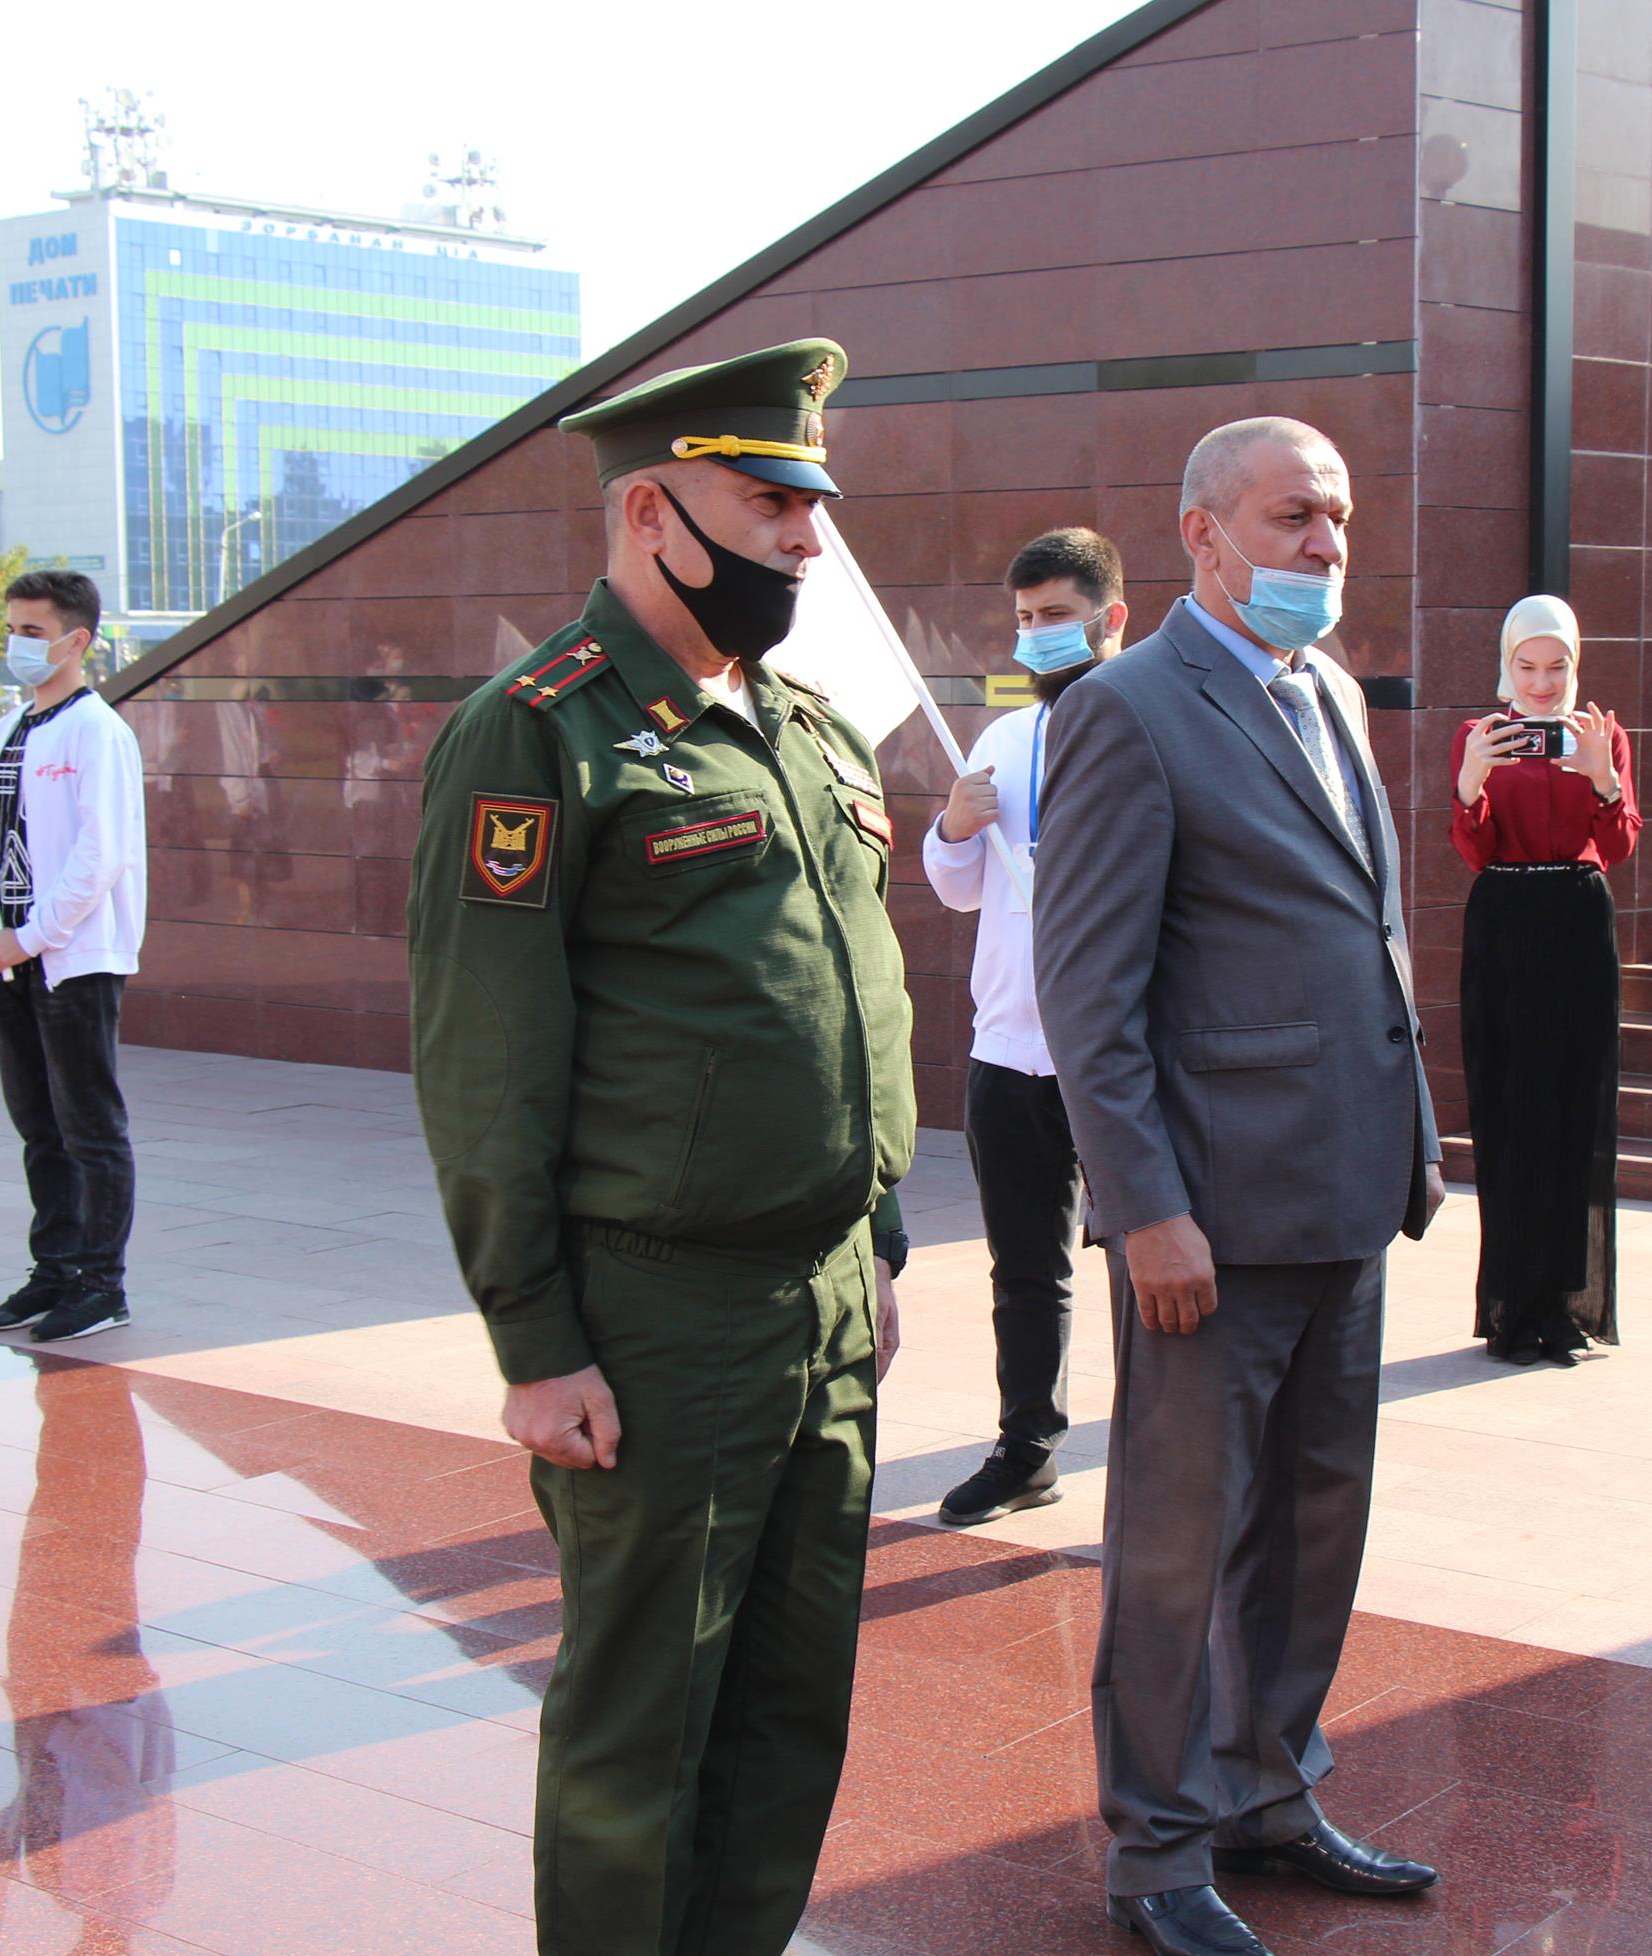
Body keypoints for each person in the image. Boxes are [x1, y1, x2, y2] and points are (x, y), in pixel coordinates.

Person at [405, 337, 915, 1956]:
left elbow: (849, 1003)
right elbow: (486, 1067)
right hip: (658, 1316)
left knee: (786, 1715)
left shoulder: (803, 726)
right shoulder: (537, 733)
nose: (803, 539)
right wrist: (536, 1339)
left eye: (807, 504)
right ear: (649, 509)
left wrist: (875, 1248)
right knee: (642, 1734)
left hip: (825, 1298)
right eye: (767, 501)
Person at [1034, 418, 1445, 1956]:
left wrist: (1406, 1140)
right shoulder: (1129, 711)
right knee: (1175, 1544)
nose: (1324, 549)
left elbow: (1361, 933)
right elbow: (1091, 995)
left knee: (1314, 1523)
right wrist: (1142, 1208)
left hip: (1342, 1196)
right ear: (1201, 534)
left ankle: (1269, 1790)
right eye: (1291, 520)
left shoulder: (1326, 688)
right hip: (1204, 1223)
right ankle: (1155, 1851)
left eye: (1336, 520)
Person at [920, 526, 1127, 1528]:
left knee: (1154, 1258)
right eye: (1026, 621)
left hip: (1127, 1050)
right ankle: (1028, 1446)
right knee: (1026, 1269)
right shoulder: (1004, 740)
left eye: (1056, 619)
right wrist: (955, 825)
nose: (1037, 637)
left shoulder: (1151, 725)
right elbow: (958, 890)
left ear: (1109, 619)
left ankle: (1165, 1446)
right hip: (1012, 1049)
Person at [0, 570, 147, 1345]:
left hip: (73, 958)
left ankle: (103, 1283)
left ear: (75, 640)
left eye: (32, 632)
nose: (16, 645)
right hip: (10, 955)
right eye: (12, 630)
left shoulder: (99, 731)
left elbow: (101, 855)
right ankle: (54, 1267)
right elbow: (7, 846)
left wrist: (30, 938)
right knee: (39, 1125)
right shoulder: (8, 729)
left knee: (90, 1126)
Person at [1450, 595, 1640, 1367]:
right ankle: (1510, 1308)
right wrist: (1471, 782)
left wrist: (1603, 780)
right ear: (1507, 664)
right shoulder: (1479, 734)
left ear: (1575, 664)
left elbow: (1619, 846)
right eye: (1526, 665)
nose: (1539, 682)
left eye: (1556, 665)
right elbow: (1473, 848)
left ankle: (1566, 1306)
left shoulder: (1604, 735)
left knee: (1574, 1111)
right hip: (1504, 919)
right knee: (1509, 1111)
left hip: (1578, 921)